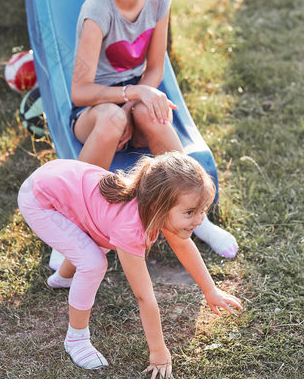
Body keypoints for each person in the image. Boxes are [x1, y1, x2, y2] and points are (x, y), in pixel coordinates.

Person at [68, 0, 238, 259]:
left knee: (152, 112)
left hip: (133, 96)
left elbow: (156, 69)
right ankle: (77, 224)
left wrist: (136, 101)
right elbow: (80, 92)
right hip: (95, 110)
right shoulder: (97, 10)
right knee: (114, 118)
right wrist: (127, 98)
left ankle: (196, 216)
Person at [18, 152, 243, 376]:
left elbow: (183, 246)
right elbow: (144, 296)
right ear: (158, 207)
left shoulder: (154, 207)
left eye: (202, 210)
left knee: (92, 247)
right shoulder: (129, 227)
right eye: (190, 212)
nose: (199, 219)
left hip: (58, 180)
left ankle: (62, 278)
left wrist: (210, 290)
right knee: (93, 262)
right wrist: (159, 351)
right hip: (39, 198)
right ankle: (76, 339)